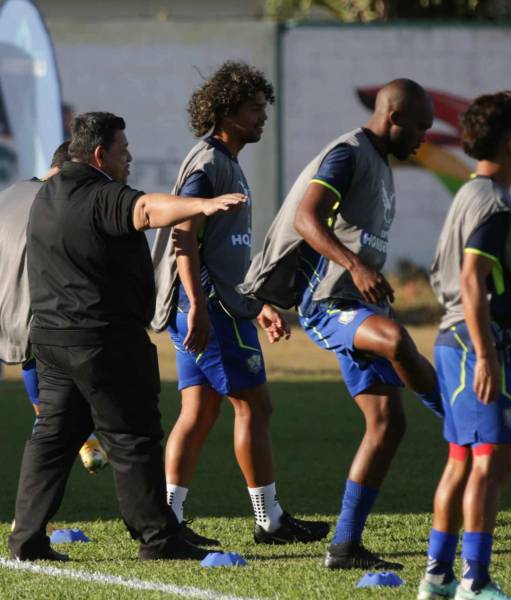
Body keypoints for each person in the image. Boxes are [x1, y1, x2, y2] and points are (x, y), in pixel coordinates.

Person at [8, 111, 246, 562]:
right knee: (133, 437)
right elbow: (147, 208)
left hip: (52, 343)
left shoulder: (47, 194)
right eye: (123, 150)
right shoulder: (101, 195)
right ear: (100, 155)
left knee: (53, 440)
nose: (130, 157)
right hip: (104, 341)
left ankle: (27, 539)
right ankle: (159, 540)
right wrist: (201, 205)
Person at [239, 79, 443, 569]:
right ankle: (460, 421)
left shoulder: (380, 163)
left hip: (358, 305)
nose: (423, 138)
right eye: (420, 127)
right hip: (327, 302)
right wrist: (355, 265)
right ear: (393, 117)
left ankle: (346, 545)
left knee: (387, 424)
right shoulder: (348, 153)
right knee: (396, 340)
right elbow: (309, 219)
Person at [151, 61, 329, 546]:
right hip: (207, 307)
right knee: (254, 405)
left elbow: (224, 251)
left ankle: (167, 521)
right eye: (254, 109)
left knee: (200, 410)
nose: (261, 118)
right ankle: (268, 519)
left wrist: (256, 302)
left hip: (218, 303)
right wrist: (200, 305)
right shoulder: (209, 164)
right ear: (226, 112)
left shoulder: (225, 162)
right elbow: (183, 237)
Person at [417, 91, 511, 600]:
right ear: (509, 144)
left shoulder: (469, 192)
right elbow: (472, 278)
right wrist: (485, 355)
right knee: (487, 461)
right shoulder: (495, 203)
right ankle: (473, 581)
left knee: (467, 459)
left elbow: (472, 274)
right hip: (477, 344)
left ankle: (437, 577)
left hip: (457, 339)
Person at [0, 141, 108, 475]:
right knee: (59, 419)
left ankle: (82, 444)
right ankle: (40, 499)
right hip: (48, 317)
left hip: (9, 323)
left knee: (49, 412)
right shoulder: (57, 203)